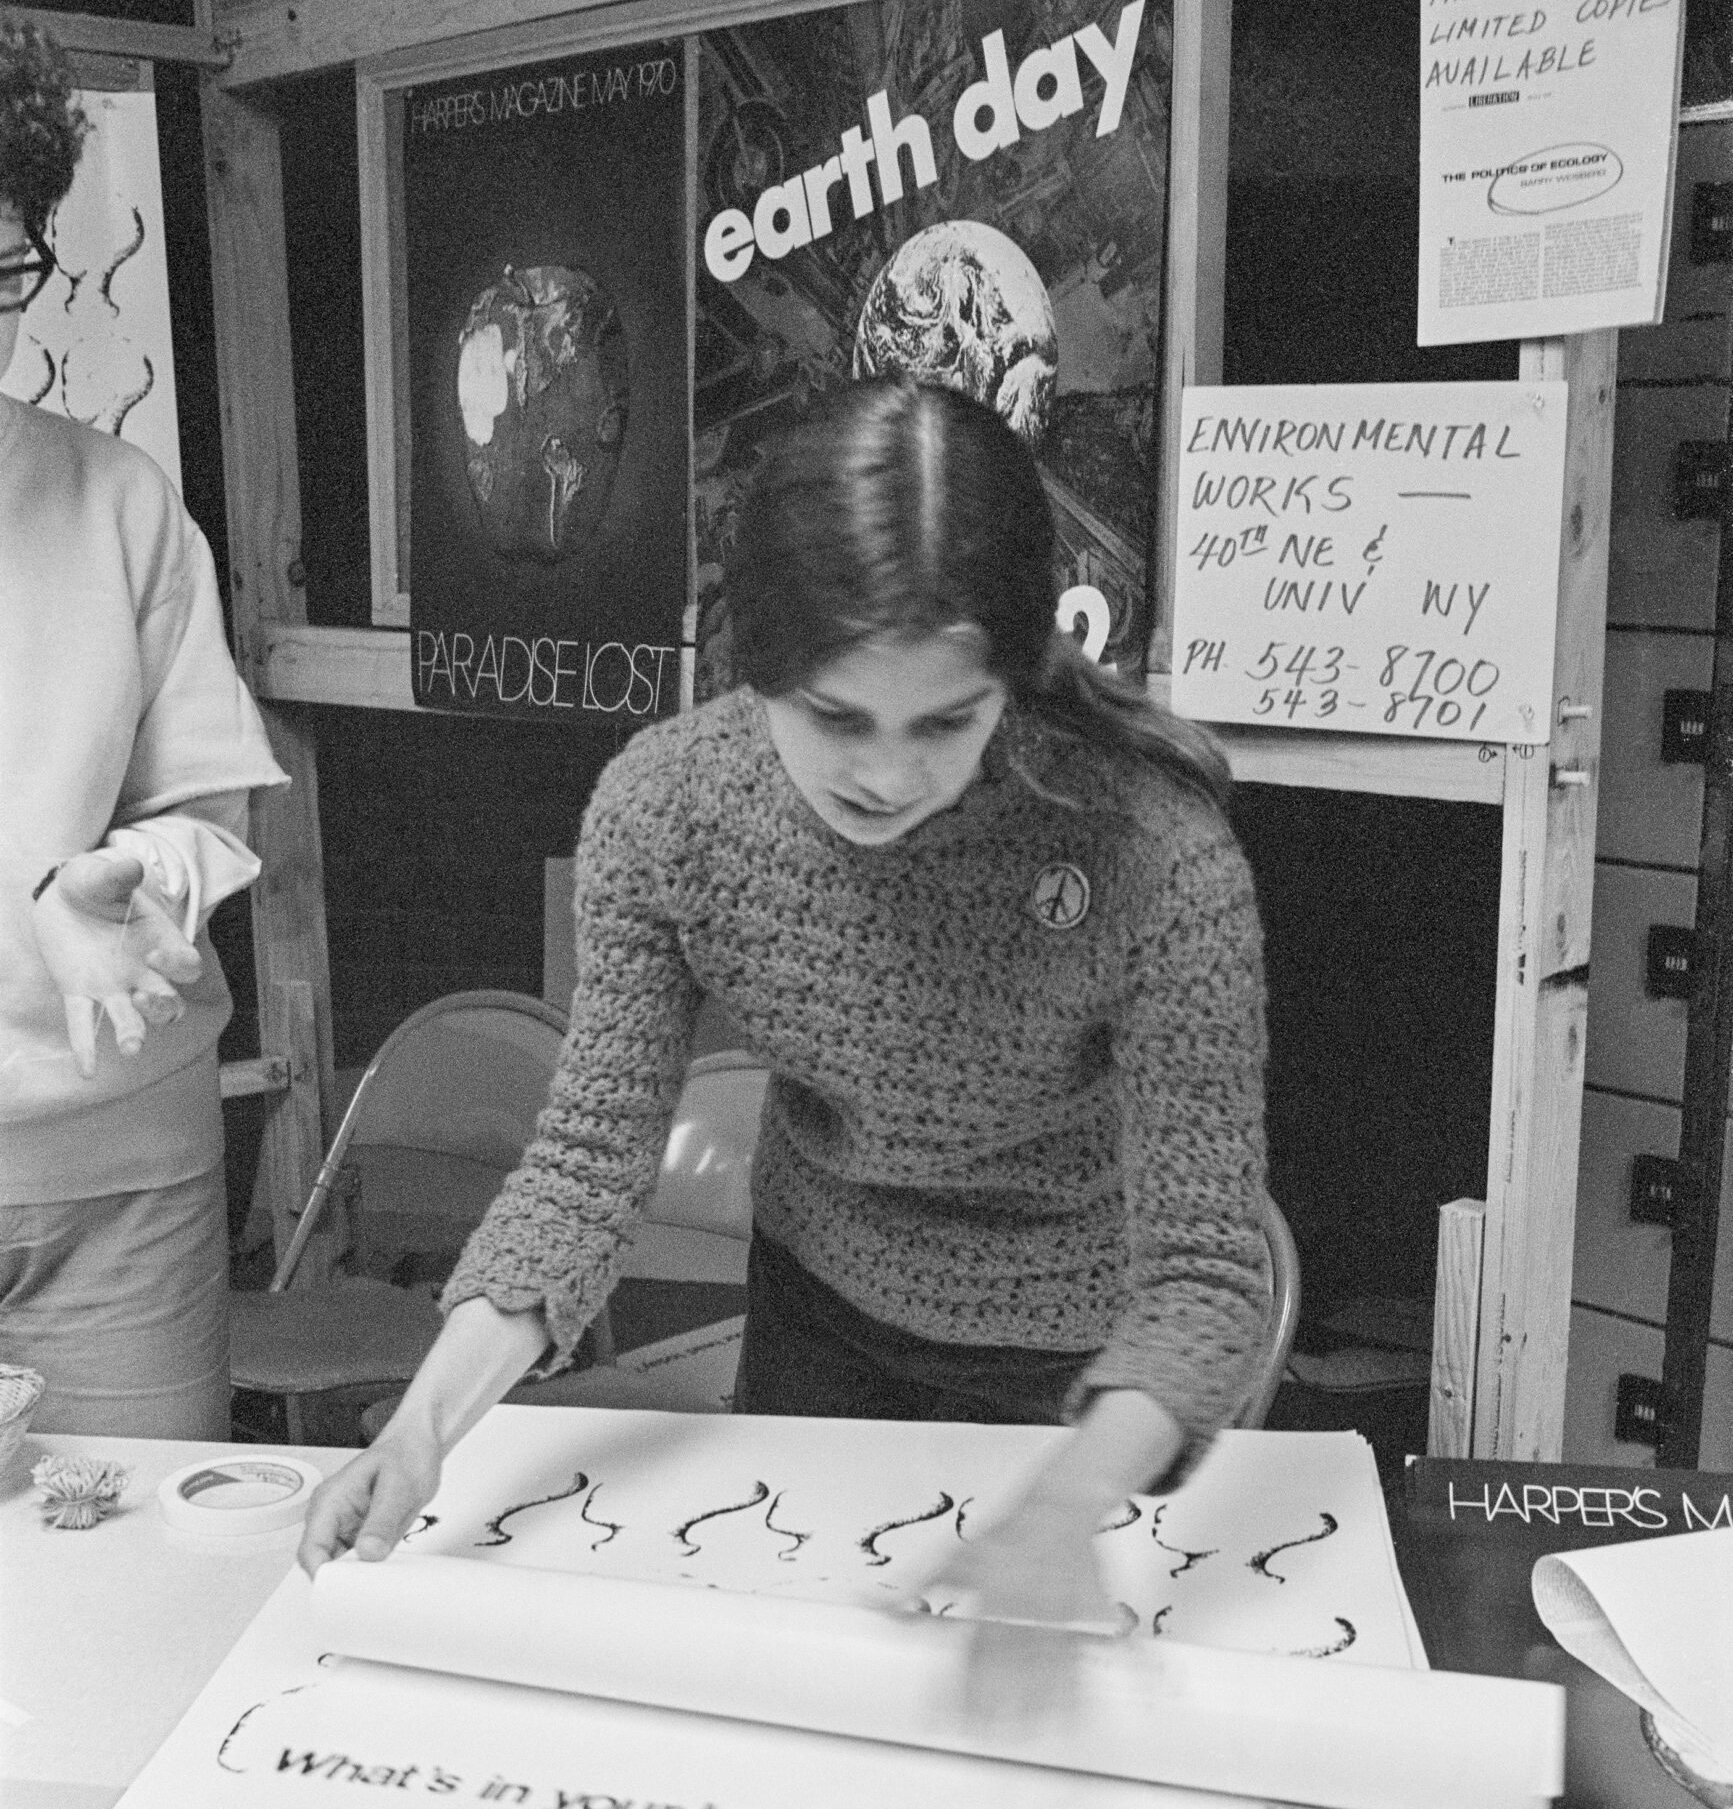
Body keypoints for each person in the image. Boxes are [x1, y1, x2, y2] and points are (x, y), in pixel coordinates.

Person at [301, 378, 1269, 1690]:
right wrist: (425, 1429)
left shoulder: (1152, 850)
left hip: (1085, 1373)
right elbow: (587, 1165)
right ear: (750, 656)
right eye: (833, 716)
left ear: (1016, 674)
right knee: (809, 1693)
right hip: (821, 1315)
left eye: (946, 720)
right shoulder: (670, 809)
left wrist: (1060, 1508)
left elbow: (1208, 1270)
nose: (886, 774)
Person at [0, 19, 288, 1439]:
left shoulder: (117, 500)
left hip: (120, 1173)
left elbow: (208, 812)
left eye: (0, 267)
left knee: (144, 1593)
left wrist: (132, 878)